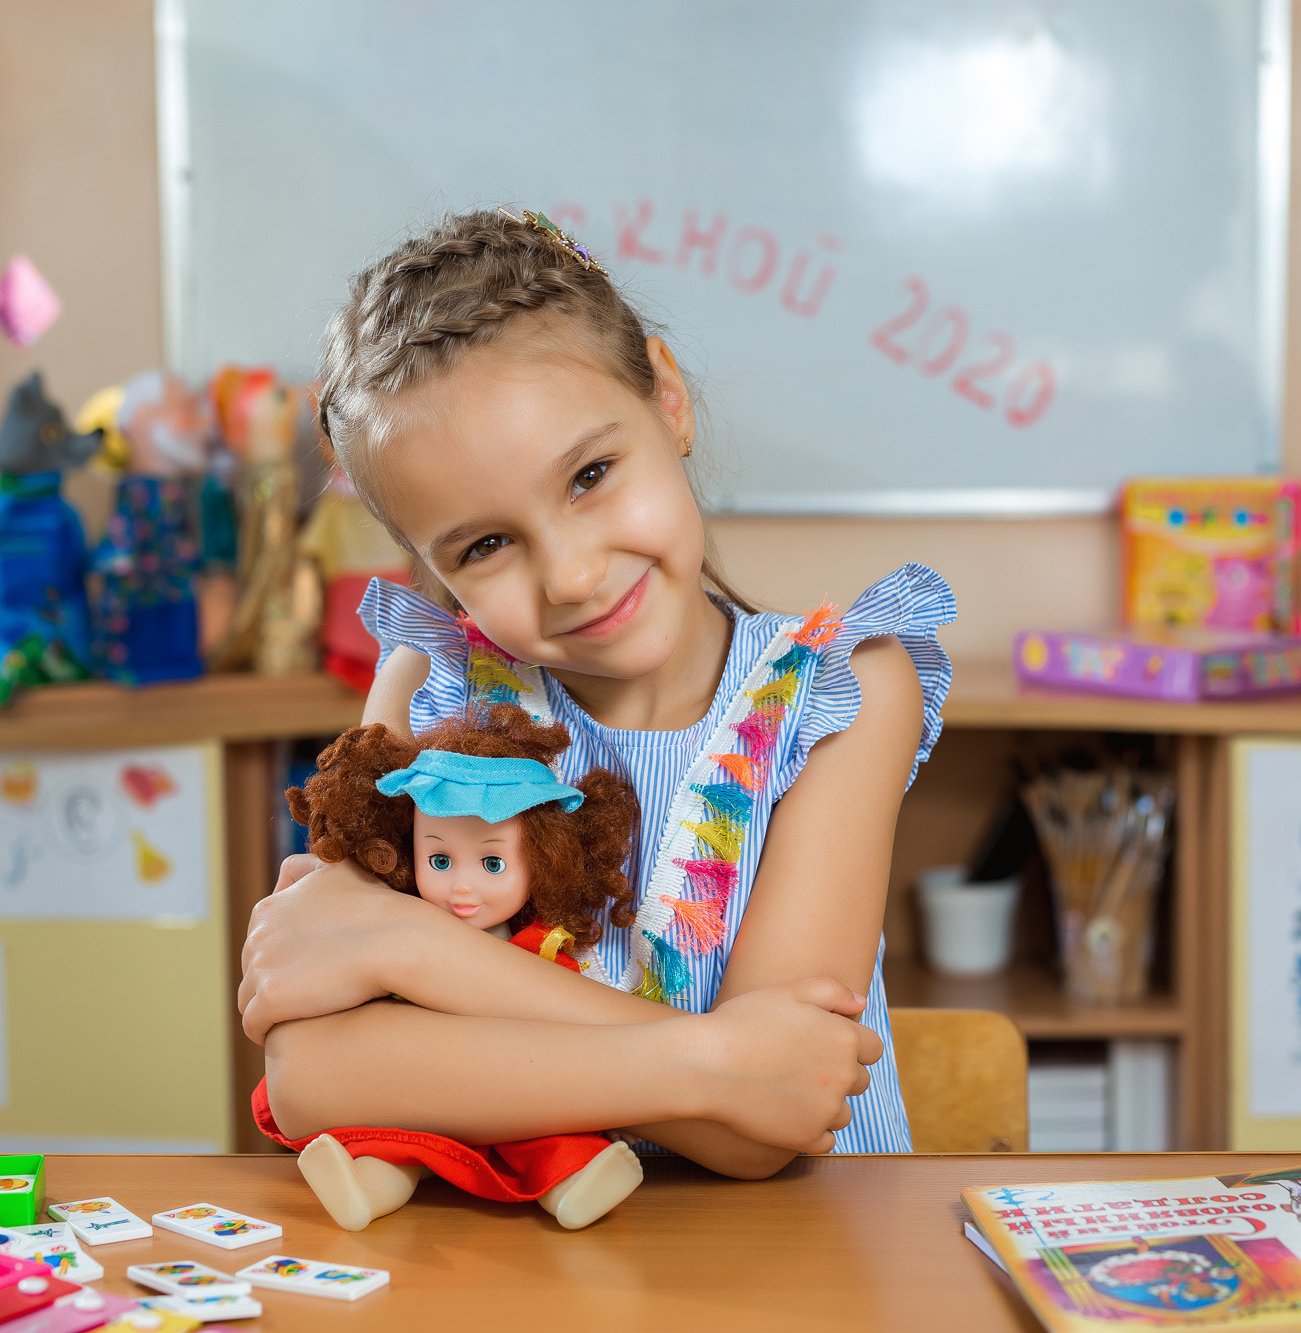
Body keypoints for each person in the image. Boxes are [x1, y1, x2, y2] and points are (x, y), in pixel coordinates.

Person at [236, 207, 955, 1178]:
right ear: (432, 568)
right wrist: (717, 1064)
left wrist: (415, 953)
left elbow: (769, 1126)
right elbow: (315, 1077)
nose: (571, 575)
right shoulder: (434, 685)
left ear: (666, 399)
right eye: (484, 546)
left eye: (588, 474)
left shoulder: (844, 692)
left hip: (803, 1263)